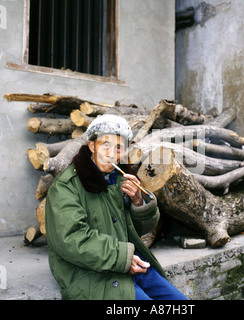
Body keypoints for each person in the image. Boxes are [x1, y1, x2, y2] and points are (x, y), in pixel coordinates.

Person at [45, 114, 188, 300]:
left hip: (127, 263)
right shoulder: (66, 187)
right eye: (106, 144)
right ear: (92, 146)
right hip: (89, 274)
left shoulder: (120, 179)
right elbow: (72, 239)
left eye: (118, 147)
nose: (112, 153)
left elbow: (140, 230)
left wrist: (139, 204)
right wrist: (123, 259)